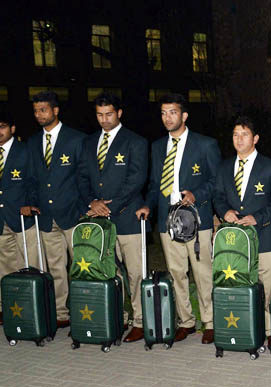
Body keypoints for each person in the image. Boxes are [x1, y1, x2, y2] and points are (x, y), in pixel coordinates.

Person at [137, 93, 221, 344]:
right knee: (176, 272)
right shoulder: (157, 146)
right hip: (168, 219)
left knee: (203, 272)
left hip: (196, 219)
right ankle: (186, 321)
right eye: (163, 113)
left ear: (184, 115)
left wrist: (198, 194)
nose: (167, 118)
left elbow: (217, 181)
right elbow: (154, 184)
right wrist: (148, 206)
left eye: (172, 112)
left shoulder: (205, 145)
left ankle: (211, 322)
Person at [79, 92, 148, 342]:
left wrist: (111, 206)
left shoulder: (135, 141)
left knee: (135, 272)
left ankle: (141, 321)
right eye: (99, 115)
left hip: (127, 216)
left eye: (108, 114)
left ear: (119, 113)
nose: (104, 119)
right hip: (100, 221)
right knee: (109, 271)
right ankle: (116, 316)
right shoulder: (88, 142)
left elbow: (136, 179)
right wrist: (92, 202)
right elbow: (83, 177)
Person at [212, 116, 271, 348]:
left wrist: (258, 218)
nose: (239, 139)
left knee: (267, 287)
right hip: (235, 242)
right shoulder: (224, 167)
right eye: (235, 135)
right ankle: (244, 329)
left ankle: (270, 332)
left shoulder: (270, 166)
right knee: (239, 286)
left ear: (256, 138)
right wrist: (224, 212)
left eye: (245, 134)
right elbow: (218, 196)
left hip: (264, 238)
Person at [21, 91, 86, 328]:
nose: (39, 115)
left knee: (81, 267)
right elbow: (31, 178)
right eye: (36, 111)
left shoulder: (76, 139)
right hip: (47, 217)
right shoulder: (32, 142)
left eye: (43, 110)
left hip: (73, 215)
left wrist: (81, 209)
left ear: (55, 110)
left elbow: (83, 177)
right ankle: (61, 313)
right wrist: (31, 202)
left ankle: (85, 309)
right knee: (56, 268)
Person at [0, 110, 44, 312]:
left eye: (1, 127)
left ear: (12, 129)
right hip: (1, 221)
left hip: (23, 219)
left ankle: (37, 309)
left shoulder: (26, 151)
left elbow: (35, 182)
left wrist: (31, 203)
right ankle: (15, 311)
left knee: (32, 267)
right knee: (8, 269)